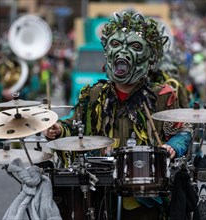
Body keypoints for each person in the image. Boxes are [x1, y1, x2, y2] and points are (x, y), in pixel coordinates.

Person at [44, 12, 193, 219]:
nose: (123, 52)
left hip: (144, 189)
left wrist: (172, 147)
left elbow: (184, 131)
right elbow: (74, 124)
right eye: (116, 44)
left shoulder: (162, 96)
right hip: (99, 186)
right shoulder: (94, 94)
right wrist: (58, 128)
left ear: (150, 57)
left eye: (135, 46)